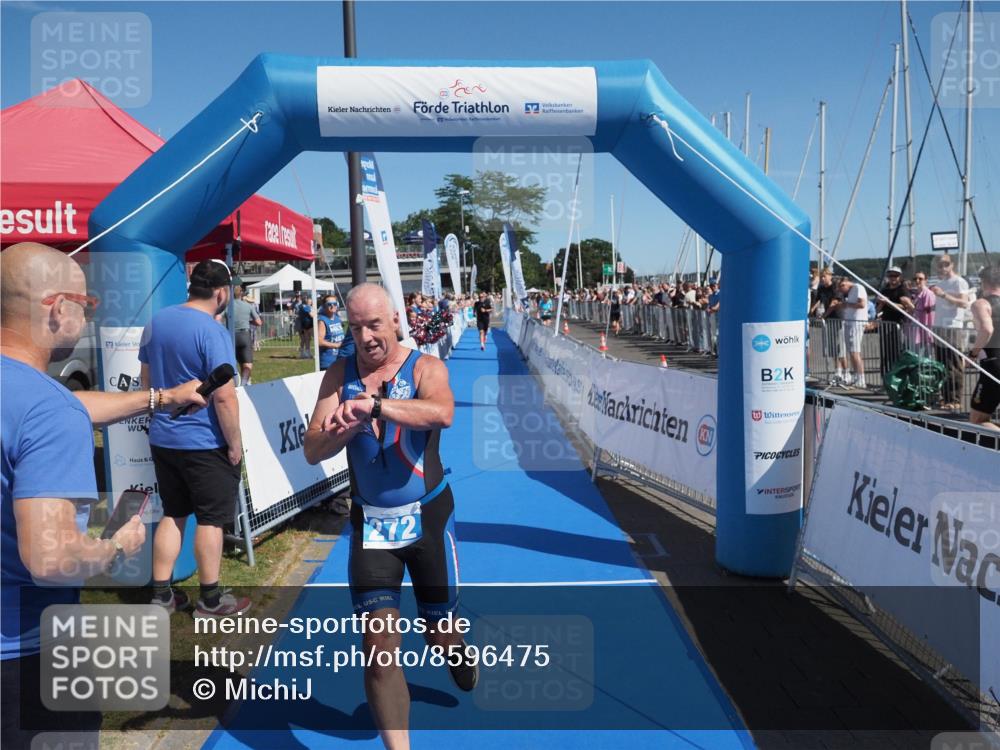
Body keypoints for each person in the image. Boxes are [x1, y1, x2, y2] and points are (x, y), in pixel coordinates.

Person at [1, 243, 205, 746]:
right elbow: (49, 560)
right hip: (25, 654)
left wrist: (159, 398)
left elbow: (63, 405)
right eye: (85, 304)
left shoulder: (39, 401)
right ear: (56, 308)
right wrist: (117, 546)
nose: (88, 315)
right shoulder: (48, 413)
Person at [304, 283, 475, 750]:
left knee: (439, 633)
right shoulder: (338, 375)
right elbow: (311, 449)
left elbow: (443, 412)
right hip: (371, 526)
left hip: (428, 520)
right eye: (356, 327)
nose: (366, 337)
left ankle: (454, 649)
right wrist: (341, 429)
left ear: (395, 320)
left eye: (374, 325)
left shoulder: (425, 366)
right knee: (379, 652)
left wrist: (376, 406)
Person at [140, 259, 249, 617]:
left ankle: (161, 595)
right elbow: (225, 396)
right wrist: (235, 444)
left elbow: (146, 382)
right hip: (205, 441)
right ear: (221, 293)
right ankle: (211, 600)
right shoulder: (212, 330)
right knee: (210, 520)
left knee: (173, 514)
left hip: (163, 436)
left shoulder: (157, 322)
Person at [930, 254, 972, 410]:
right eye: (940, 265)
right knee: (942, 364)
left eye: (946, 264)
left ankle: (955, 399)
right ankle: (945, 397)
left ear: (952, 264)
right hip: (940, 326)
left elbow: (964, 303)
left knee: (953, 364)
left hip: (953, 326)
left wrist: (943, 295)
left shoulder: (959, 282)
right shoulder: (941, 282)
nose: (942, 267)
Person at [968, 265, 1000, 431]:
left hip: (993, 365)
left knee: (978, 419)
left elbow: (987, 329)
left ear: (983, 282)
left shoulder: (981, 303)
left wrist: (972, 353)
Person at [876, 266, 913, 379]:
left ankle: (897, 379)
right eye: (891, 275)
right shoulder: (885, 289)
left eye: (895, 275)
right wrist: (882, 303)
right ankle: (885, 379)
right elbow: (877, 309)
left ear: (900, 277)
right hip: (885, 324)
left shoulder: (902, 289)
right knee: (885, 353)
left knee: (896, 352)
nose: (893, 278)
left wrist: (888, 302)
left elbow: (906, 307)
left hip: (898, 324)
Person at [835, 278, 868, 389]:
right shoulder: (851, 291)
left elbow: (862, 304)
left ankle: (861, 379)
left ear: (845, 283)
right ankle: (857, 377)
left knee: (855, 352)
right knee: (851, 351)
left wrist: (847, 304)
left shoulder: (858, 288)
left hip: (857, 323)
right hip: (849, 322)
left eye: (841, 287)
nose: (841, 291)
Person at [232, 284, 262, 385]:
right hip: (244, 335)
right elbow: (259, 322)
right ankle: (244, 383)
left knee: (233, 363)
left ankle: (237, 383)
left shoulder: (228, 306)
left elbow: (217, 319)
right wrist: (249, 322)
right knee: (247, 364)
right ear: (241, 294)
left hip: (231, 336)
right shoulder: (248, 306)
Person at [317, 295, 346, 370]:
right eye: (329, 304)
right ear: (324, 306)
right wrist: (336, 345)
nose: (332, 306)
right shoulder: (322, 321)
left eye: (335, 303)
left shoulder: (337, 319)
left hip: (340, 358)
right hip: (328, 362)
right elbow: (319, 341)